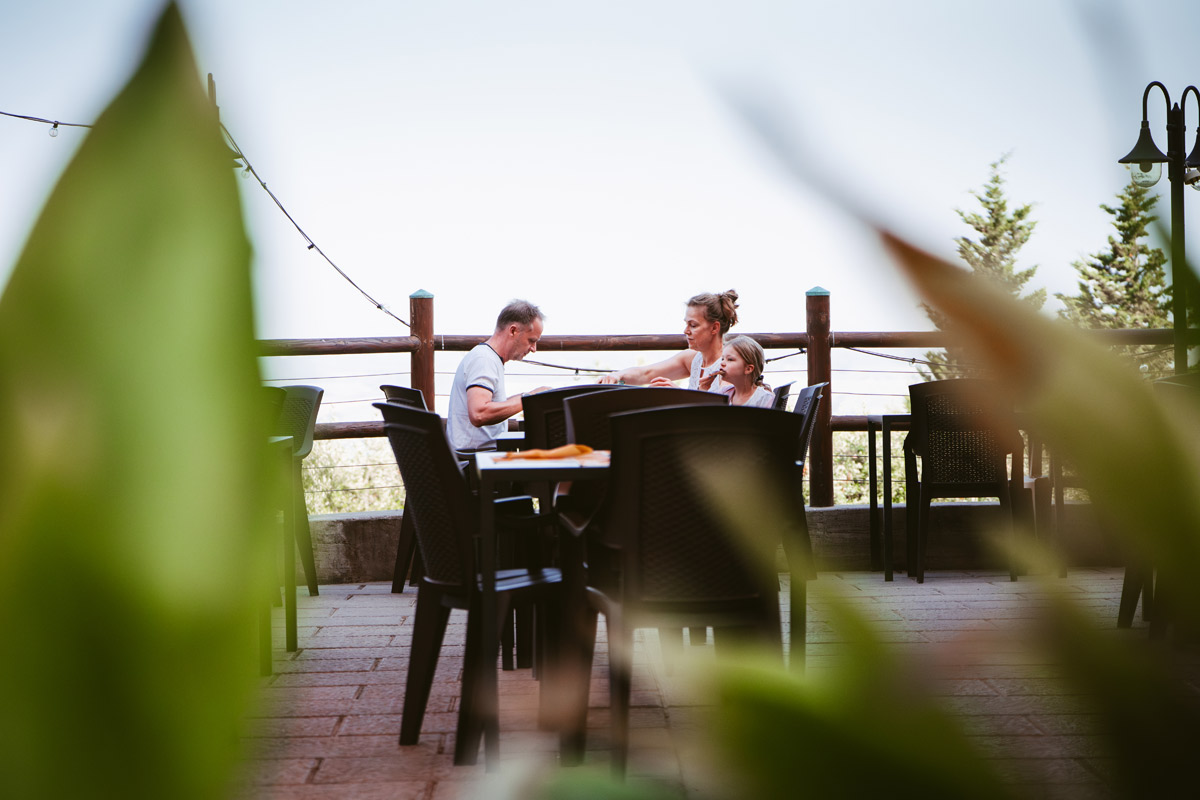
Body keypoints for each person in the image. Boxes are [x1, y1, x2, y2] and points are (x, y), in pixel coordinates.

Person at [446, 299, 550, 451]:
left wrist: (531, 395)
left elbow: (490, 405)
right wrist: (530, 398)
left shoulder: (489, 358)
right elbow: (479, 413)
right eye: (531, 340)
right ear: (513, 331)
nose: (534, 349)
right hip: (476, 459)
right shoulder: (484, 360)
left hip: (481, 455)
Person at [598, 290, 739, 390]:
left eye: (693, 325)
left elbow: (720, 411)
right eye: (686, 324)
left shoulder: (729, 365)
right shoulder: (692, 359)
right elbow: (646, 373)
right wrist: (617, 376)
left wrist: (679, 395)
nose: (686, 331)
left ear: (714, 328)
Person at [716, 335, 775, 408]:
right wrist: (705, 387)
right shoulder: (723, 393)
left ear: (748, 369)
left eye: (730, 359)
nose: (722, 363)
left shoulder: (765, 399)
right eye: (722, 359)